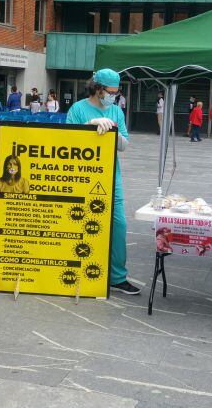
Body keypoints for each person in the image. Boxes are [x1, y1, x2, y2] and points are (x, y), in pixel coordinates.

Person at [66, 69, 139, 294]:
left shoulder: (116, 111)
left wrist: (115, 134)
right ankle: (74, 269)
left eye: (116, 93)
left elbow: (125, 144)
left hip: (110, 175)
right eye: (110, 92)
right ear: (98, 89)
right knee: (77, 222)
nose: (113, 96)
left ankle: (117, 276)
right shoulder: (78, 109)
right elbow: (66, 141)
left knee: (119, 224)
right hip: (82, 175)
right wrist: (89, 126)